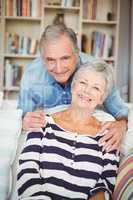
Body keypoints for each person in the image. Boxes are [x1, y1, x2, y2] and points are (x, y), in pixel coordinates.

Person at [17, 61, 119, 200]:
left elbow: (105, 185)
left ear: (102, 98)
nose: (86, 91)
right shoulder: (42, 122)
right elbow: (27, 170)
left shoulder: (108, 135)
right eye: (83, 82)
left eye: (96, 88)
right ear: (73, 86)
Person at [18, 24, 128, 152]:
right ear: (43, 58)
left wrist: (121, 125)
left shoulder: (99, 72)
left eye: (65, 58)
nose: (58, 69)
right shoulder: (32, 75)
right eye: (51, 60)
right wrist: (23, 122)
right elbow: (22, 115)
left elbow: (122, 114)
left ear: (77, 53)